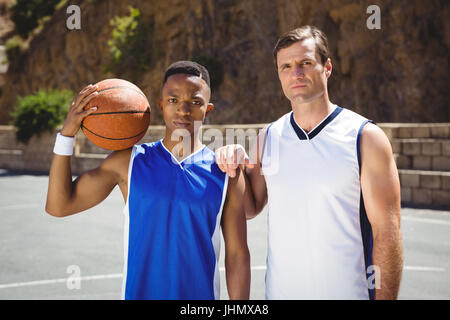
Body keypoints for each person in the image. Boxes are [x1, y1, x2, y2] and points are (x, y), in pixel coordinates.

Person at [216, 26, 403, 300]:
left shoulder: (365, 138)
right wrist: (231, 163)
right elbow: (249, 208)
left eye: (305, 63)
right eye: (286, 66)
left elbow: (387, 233)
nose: (296, 73)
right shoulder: (267, 138)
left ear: (327, 67)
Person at [45, 61, 251, 300]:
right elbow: (59, 205)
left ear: (208, 109)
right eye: (173, 100)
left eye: (195, 102)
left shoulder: (226, 173)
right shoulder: (128, 162)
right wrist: (67, 134)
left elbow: (237, 255)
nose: (183, 110)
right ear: (161, 106)